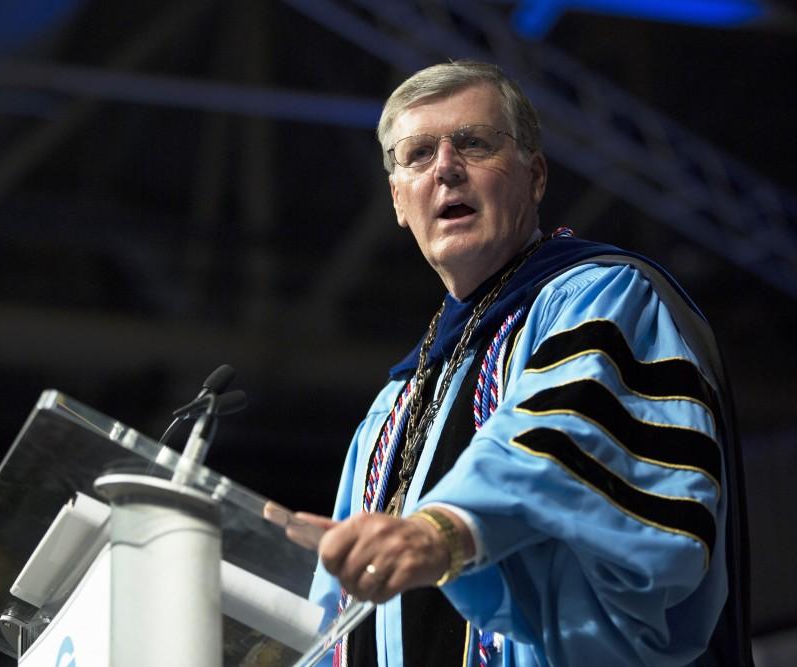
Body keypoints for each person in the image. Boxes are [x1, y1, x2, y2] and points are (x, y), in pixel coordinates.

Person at [298, 60, 752, 666]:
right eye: (418, 155)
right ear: (398, 202)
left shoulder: (603, 300)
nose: (446, 169)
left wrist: (446, 531)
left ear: (534, 176)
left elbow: (562, 439)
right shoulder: (394, 406)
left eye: (474, 143)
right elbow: (332, 619)